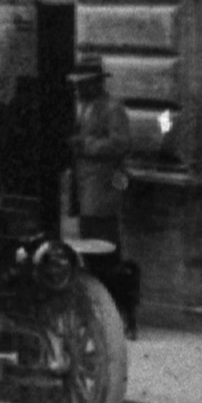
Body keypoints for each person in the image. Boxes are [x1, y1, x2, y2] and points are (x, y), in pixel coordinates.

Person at [68, 53, 140, 339]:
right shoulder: (81, 107)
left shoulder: (112, 108)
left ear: (97, 82)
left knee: (107, 253)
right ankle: (102, 310)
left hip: (104, 188)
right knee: (89, 251)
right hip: (84, 187)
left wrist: (85, 145)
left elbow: (122, 143)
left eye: (84, 83)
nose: (79, 88)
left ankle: (125, 311)